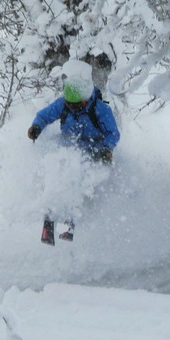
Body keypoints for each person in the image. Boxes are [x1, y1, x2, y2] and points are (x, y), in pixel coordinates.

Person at [27, 65, 120, 245]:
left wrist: (106, 150)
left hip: (95, 149)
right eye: (70, 104)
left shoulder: (100, 110)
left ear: (86, 100)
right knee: (55, 172)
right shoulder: (63, 104)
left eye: (77, 105)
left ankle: (71, 225)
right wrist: (36, 127)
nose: (73, 108)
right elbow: (44, 116)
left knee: (81, 178)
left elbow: (113, 133)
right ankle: (49, 223)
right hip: (68, 144)